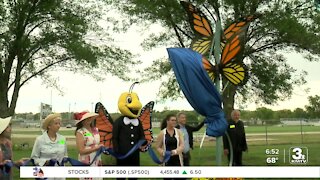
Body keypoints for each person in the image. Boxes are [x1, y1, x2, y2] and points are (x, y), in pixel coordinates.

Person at [31, 113, 68, 180]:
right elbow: (34, 158)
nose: (58, 126)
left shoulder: (62, 139)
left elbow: (65, 154)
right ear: (49, 126)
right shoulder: (40, 140)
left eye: (59, 124)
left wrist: (65, 159)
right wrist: (46, 162)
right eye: (56, 123)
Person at [75, 111, 103, 180]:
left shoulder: (95, 130)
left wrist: (101, 148)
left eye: (89, 118)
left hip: (97, 160)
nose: (88, 120)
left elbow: (97, 143)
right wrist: (96, 148)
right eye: (86, 118)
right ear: (82, 121)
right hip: (86, 161)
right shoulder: (80, 132)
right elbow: (81, 151)